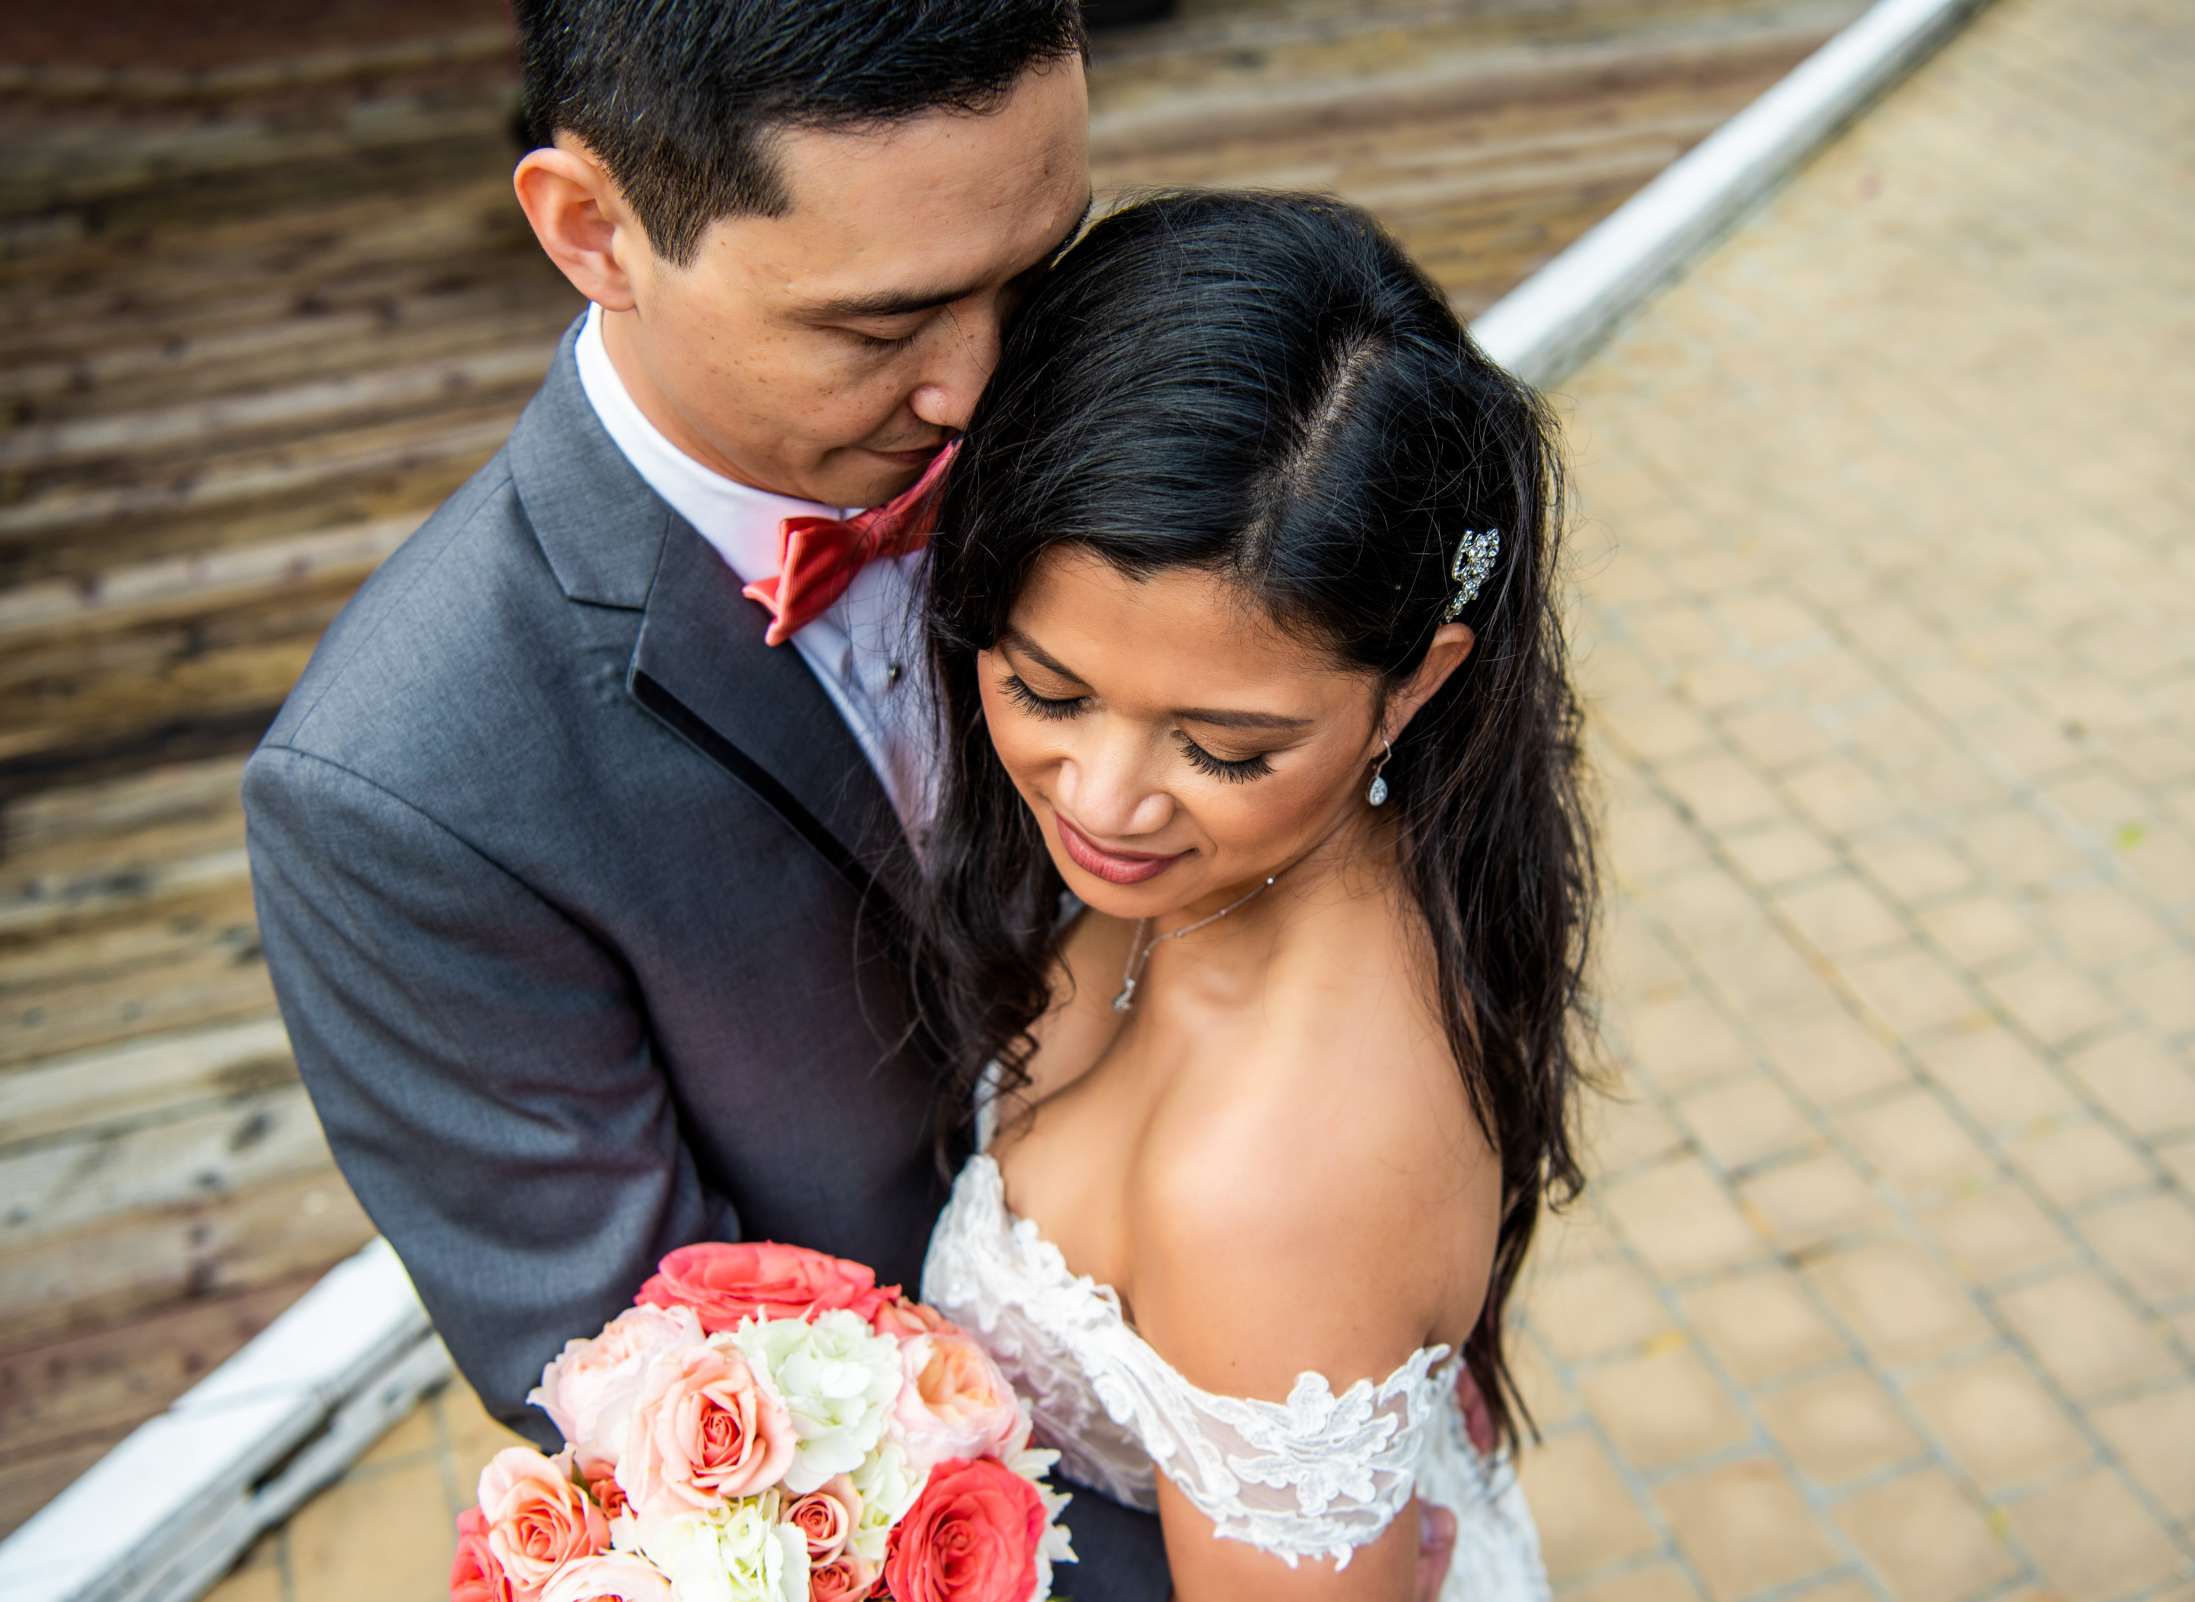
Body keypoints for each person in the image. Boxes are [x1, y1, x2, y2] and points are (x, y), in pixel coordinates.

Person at [237, 2, 1205, 1593]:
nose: (983, 391)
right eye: (878, 326)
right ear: (592, 229)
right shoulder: (401, 788)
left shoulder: (1122, 438)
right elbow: (658, 1383)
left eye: (1036, 270)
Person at [916, 189, 1597, 1600]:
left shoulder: (1274, 1187)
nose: (1099, 799)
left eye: (1223, 747)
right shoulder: (1244, 868)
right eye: (1046, 687)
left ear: (1418, 682)